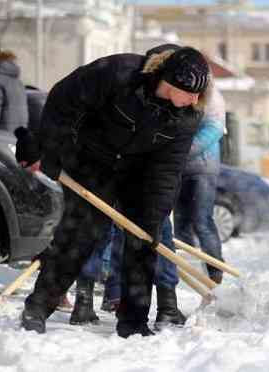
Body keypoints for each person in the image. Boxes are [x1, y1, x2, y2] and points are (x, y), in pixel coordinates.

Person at [14, 44, 211, 338]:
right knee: (79, 235)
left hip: (138, 172)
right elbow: (63, 101)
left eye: (199, 93)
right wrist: (49, 149)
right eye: (190, 93)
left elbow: (167, 169)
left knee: (143, 241)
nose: (196, 100)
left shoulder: (188, 115)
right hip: (92, 160)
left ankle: (133, 323)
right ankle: (38, 308)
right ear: (169, 82)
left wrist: (155, 216)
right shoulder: (118, 74)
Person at [173, 84, 226, 285]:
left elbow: (214, 128)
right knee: (181, 221)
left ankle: (215, 270)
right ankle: (186, 268)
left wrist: (183, 149)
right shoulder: (179, 90)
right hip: (180, 167)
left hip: (203, 168)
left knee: (202, 220)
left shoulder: (211, 95)